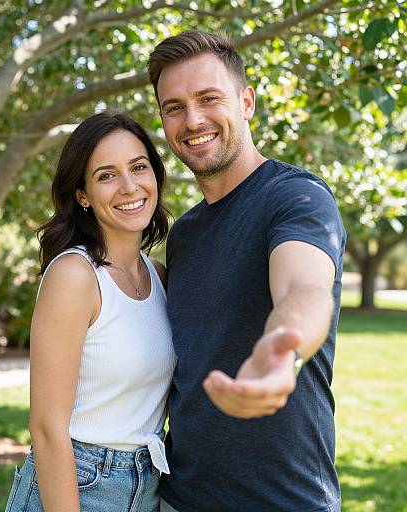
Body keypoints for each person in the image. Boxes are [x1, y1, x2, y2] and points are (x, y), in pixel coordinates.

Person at [147, 31, 346, 512]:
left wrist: (285, 351)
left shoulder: (296, 198)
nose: (192, 120)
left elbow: (304, 287)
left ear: (246, 102)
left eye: (208, 98)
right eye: (173, 107)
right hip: (180, 498)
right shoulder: (186, 233)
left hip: (284, 500)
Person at [4, 113, 176, 512]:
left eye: (138, 167)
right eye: (106, 175)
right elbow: (47, 430)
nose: (129, 186)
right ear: (82, 194)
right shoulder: (74, 276)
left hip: (148, 483)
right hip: (79, 484)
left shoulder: (161, 277)